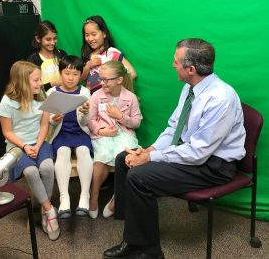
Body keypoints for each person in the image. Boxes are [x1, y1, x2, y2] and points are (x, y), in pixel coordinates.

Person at [103, 38, 246, 259]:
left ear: (190, 69)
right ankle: (133, 234)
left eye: (175, 61)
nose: (172, 65)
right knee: (124, 159)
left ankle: (148, 251)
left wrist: (151, 159)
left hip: (214, 165)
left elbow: (198, 153)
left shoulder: (220, 99)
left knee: (139, 177)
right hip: (192, 153)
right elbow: (173, 129)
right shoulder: (190, 89)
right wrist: (148, 150)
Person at [0, 61, 60, 241]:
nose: (41, 83)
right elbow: (7, 132)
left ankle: (42, 208)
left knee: (47, 167)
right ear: (23, 81)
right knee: (31, 171)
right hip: (17, 147)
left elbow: (44, 125)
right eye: (36, 80)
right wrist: (25, 146)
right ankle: (49, 210)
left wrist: (38, 146)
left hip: (39, 142)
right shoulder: (7, 102)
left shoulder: (42, 97)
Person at [88, 60, 142, 219]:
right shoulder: (96, 96)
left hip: (124, 135)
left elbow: (136, 122)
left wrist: (121, 117)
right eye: (100, 79)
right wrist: (102, 130)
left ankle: (117, 197)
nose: (102, 83)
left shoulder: (130, 98)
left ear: (119, 80)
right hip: (102, 136)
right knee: (102, 155)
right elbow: (90, 121)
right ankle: (94, 195)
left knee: (124, 157)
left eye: (106, 79)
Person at [47, 55, 93, 218]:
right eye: (67, 73)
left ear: (80, 75)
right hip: (61, 133)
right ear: (60, 73)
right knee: (63, 152)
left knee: (83, 152)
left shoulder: (85, 92)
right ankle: (64, 198)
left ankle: (84, 196)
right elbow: (49, 121)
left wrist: (85, 113)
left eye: (75, 74)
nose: (71, 77)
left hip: (80, 132)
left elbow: (86, 121)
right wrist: (54, 119)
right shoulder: (52, 92)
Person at [80, 15, 137, 94]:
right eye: (87, 35)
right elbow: (81, 79)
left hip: (109, 98)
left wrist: (115, 86)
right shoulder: (87, 54)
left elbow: (132, 73)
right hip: (92, 98)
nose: (90, 39)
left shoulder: (111, 52)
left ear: (104, 34)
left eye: (94, 34)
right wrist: (88, 66)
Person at [27, 20, 67, 91]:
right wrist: (52, 84)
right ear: (38, 39)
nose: (52, 43)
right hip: (43, 100)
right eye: (48, 39)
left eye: (54, 38)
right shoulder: (33, 60)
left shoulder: (62, 55)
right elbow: (31, 88)